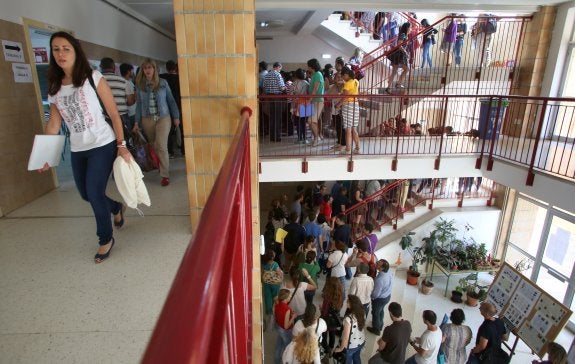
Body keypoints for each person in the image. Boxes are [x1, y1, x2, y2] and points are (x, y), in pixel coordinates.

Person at [41, 31, 131, 264]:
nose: (61, 53)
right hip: (78, 148)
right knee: (86, 194)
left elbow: (114, 113)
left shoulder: (93, 77)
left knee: (93, 191)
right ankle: (115, 206)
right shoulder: (54, 86)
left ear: (75, 51)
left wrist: (121, 145)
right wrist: (45, 155)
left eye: (66, 48)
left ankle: (105, 239)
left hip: (103, 143)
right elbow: (54, 122)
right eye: (56, 49)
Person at [133, 58, 180, 187]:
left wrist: (176, 116)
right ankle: (161, 164)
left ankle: (165, 175)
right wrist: (136, 122)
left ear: (154, 69)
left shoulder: (163, 83)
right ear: (143, 70)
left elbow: (171, 100)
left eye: (150, 67)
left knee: (161, 145)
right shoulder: (140, 85)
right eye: (145, 68)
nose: (148, 70)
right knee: (154, 145)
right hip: (147, 119)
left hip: (163, 118)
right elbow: (139, 105)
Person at [100, 57, 135, 135]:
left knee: (109, 140)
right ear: (113, 67)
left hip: (104, 117)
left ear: (101, 67)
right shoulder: (122, 81)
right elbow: (130, 102)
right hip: (122, 116)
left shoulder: (96, 80)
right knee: (125, 139)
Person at [160, 60, 184, 158]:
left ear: (166, 68)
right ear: (176, 68)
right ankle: (183, 150)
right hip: (179, 106)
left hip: (166, 107)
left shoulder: (163, 78)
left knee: (168, 130)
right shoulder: (180, 79)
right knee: (181, 129)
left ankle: (170, 151)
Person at [333, 295, 366, 364]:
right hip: (361, 342)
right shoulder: (363, 312)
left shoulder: (348, 319)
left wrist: (341, 348)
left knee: (348, 361)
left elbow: (345, 337)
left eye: (348, 301)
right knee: (357, 357)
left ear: (352, 304)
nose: (346, 302)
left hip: (351, 346)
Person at [334, 66, 360, 154]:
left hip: (348, 106)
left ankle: (348, 149)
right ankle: (357, 148)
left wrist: (338, 105)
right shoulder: (356, 81)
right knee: (354, 129)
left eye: (342, 76)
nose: (342, 78)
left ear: (346, 75)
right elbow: (350, 93)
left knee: (348, 129)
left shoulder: (348, 84)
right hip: (355, 105)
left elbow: (345, 97)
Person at [367, 259, 393, 336]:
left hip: (380, 299)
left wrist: (370, 296)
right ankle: (380, 325)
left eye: (378, 263)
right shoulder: (388, 272)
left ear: (382, 268)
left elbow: (375, 294)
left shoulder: (380, 279)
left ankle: (376, 329)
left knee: (375, 313)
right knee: (381, 311)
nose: (376, 263)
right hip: (387, 296)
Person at [262, 62, 286, 142]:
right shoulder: (278, 75)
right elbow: (281, 87)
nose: (280, 70)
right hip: (277, 97)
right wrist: (286, 87)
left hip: (269, 98)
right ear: (278, 67)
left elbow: (264, 86)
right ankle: (277, 137)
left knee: (271, 117)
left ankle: (271, 136)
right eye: (280, 68)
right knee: (277, 117)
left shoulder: (267, 75)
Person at [320, 276, 344, 356]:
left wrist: (321, 309)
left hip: (326, 319)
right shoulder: (341, 294)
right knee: (332, 334)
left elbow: (325, 311)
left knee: (323, 335)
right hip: (335, 319)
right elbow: (340, 306)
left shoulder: (328, 296)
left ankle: (326, 350)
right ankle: (331, 348)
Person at [385, 22, 411, 93]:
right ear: (407, 28)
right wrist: (405, 52)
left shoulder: (405, 35)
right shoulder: (403, 35)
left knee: (396, 71)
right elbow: (399, 44)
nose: (411, 29)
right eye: (410, 27)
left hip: (400, 55)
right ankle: (397, 84)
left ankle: (392, 86)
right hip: (399, 55)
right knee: (405, 69)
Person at [262, 250, 283, 331]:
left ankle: (269, 314)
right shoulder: (275, 264)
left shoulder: (264, 263)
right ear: (273, 257)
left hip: (266, 284)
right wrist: (281, 273)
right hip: (274, 284)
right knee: (275, 298)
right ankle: (274, 317)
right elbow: (279, 273)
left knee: (268, 299)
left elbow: (263, 272)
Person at [274, 289, 296, 364]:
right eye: (289, 296)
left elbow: (277, 315)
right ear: (285, 298)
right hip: (286, 331)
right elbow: (286, 326)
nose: (290, 297)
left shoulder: (277, 304)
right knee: (287, 348)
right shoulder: (287, 309)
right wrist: (293, 317)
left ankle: (276, 361)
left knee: (279, 346)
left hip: (278, 327)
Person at [307, 58, 325, 147]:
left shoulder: (318, 74)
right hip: (313, 100)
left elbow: (315, 89)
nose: (308, 68)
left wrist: (309, 100)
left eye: (308, 66)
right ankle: (316, 138)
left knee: (311, 121)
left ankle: (317, 138)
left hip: (317, 100)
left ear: (311, 66)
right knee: (310, 121)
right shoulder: (314, 74)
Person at [119, 63, 137, 130]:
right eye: (132, 71)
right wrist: (136, 95)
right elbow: (130, 102)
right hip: (131, 113)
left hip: (128, 113)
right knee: (135, 133)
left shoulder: (123, 81)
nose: (133, 72)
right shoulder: (127, 83)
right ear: (128, 71)